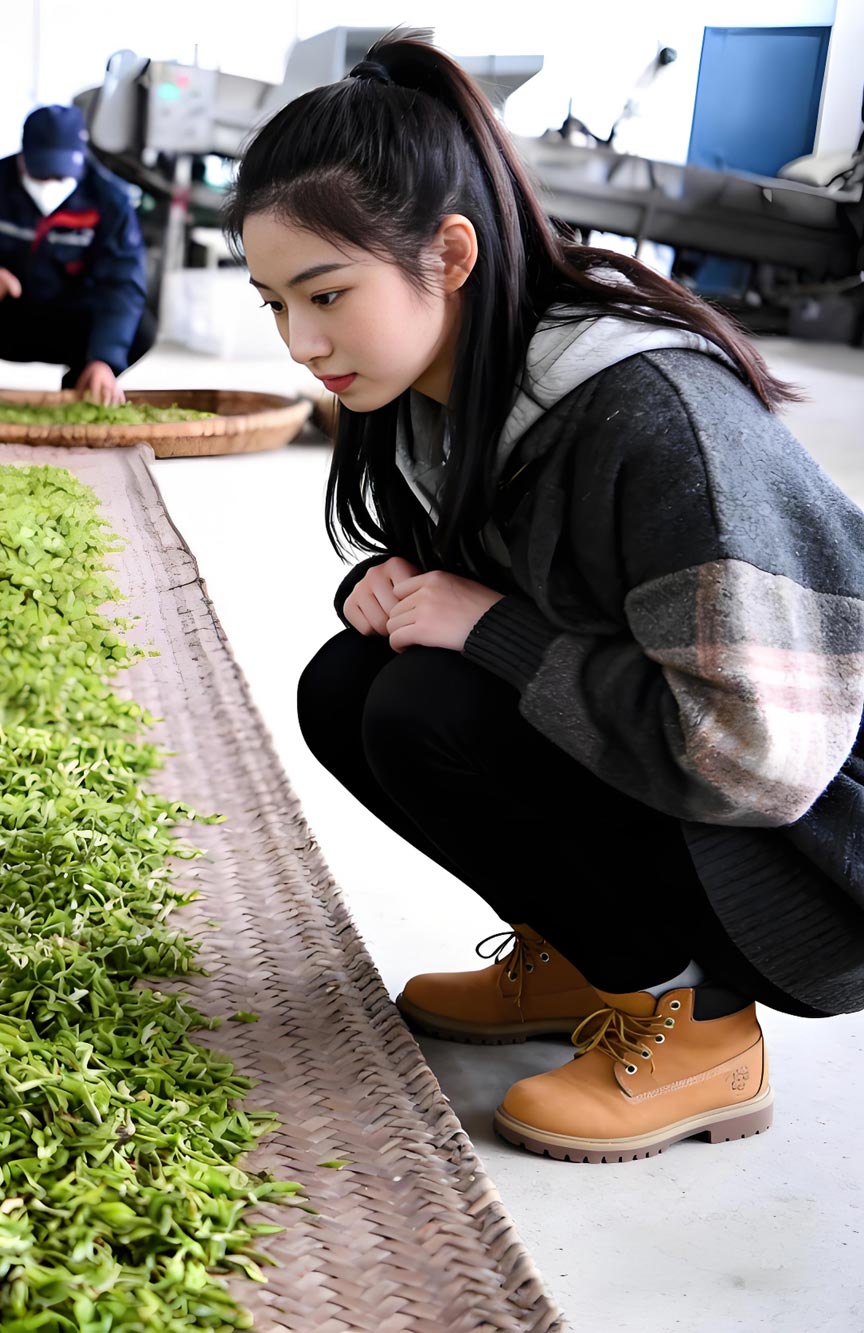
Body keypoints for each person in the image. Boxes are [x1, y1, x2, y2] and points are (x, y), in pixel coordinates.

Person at [225, 31, 864, 1163]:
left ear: (450, 253)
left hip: (817, 846)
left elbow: (760, 754)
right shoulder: (438, 387)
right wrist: (390, 587)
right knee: (352, 682)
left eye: (325, 294)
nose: (301, 344)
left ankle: (698, 1025)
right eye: (274, 303)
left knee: (423, 708)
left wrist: (489, 629)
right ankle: (587, 963)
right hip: (704, 779)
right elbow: (503, 581)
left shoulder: (650, 418)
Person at [0, 105, 153, 405]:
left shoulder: (111, 200)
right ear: (23, 155)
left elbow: (123, 284)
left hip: (73, 323)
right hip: (6, 318)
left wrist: (105, 359)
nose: (49, 184)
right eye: (41, 173)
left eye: (60, 176)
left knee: (143, 327)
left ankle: (78, 388)